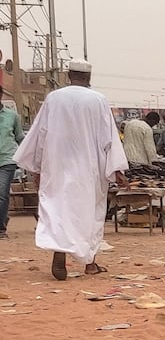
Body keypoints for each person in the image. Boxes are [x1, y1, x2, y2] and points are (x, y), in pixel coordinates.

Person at [13, 59, 128, 279]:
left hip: (56, 165)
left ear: (68, 75)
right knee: (90, 213)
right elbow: (108, 138)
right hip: (89, 168)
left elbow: (40, 135)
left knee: (59, 210)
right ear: (89, 78)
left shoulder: (54, 98)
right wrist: (117, 169)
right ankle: (90, 263)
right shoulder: (98, 100)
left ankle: (59, 253)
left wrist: (37, 168)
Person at [0, 88, 24, 239]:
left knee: (1, 193)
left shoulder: (12, 116)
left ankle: (1, 229)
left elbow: (20, 137)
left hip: (7, 159)